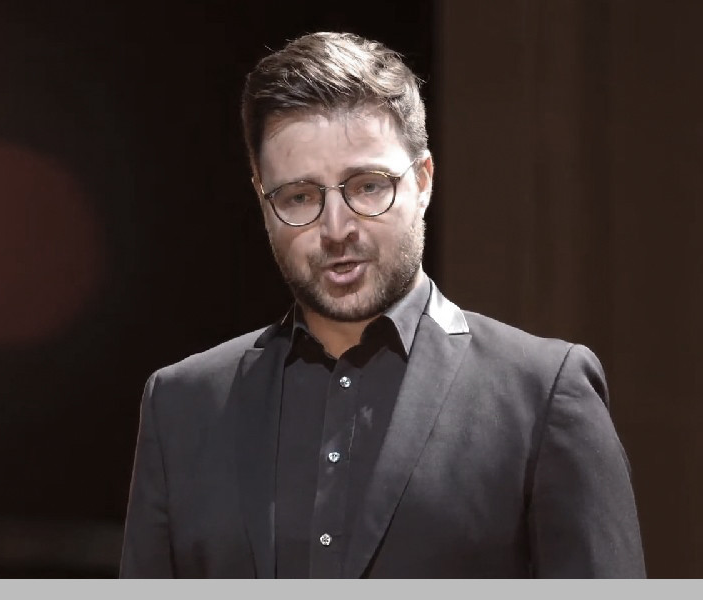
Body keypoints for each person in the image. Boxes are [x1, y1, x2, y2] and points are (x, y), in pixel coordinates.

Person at [119, 31, 644, 578]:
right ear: (262, 200)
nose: (336, 228)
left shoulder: (542, 397)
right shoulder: (181, 407)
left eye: (367, 186)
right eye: (300, 196)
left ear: (423, 181)